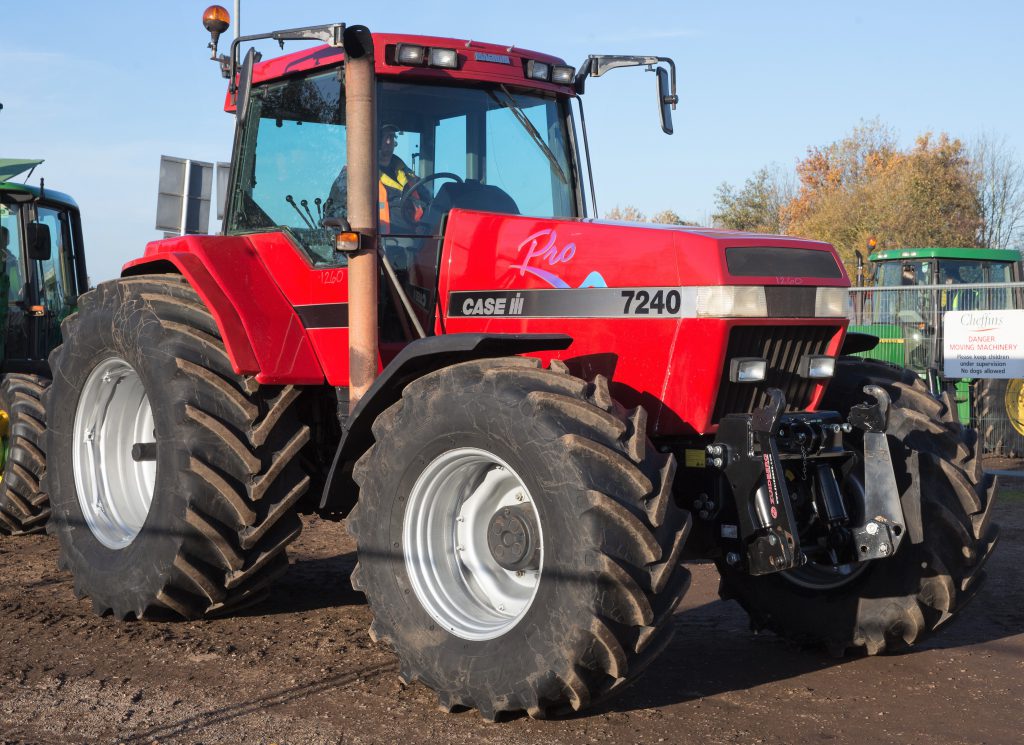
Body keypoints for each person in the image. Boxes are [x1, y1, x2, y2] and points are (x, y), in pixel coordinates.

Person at [323, 124, 426, 233]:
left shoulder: (408, 175)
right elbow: (336, 217)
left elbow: (429, 205)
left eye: (391, 137)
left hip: (419, 241)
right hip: (377, 243)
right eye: (383, 137)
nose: (388, 143)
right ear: (369, 141)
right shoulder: (352, 177)